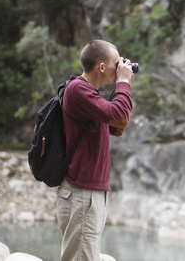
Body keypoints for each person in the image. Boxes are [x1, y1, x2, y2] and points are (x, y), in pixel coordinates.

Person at [56, 40, 134, 261]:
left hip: (88, 193)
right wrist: (123, 83)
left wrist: (124, 85)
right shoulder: (78, 90)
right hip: (83, 194)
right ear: (101, 67)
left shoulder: (89, 94)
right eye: (117, 63)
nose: (120, 67)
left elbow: (118, 123)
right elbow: (117, 114)